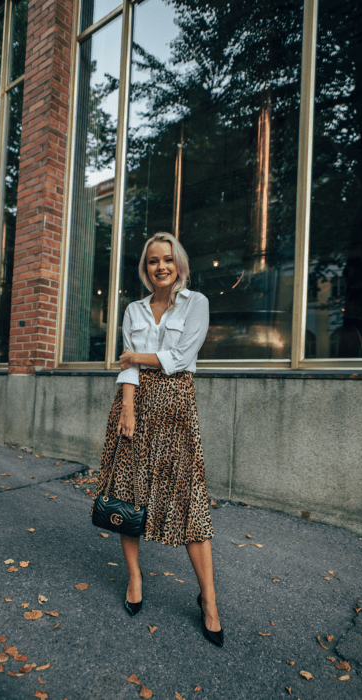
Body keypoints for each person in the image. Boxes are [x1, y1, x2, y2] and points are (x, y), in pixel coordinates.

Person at [93, 232, 223, 646]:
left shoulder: (196, 303)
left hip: (176, 405)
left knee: (189, 502)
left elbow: (181, 358)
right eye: (153, 261)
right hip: (133, 404)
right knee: (127, 492)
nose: (160, 266)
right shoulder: (133, 309)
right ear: (145, 268)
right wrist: (127, 407)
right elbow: (128, 369)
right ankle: (134, 578)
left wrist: (135, 355)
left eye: (168, 259)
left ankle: (209, 600)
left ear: (178, 264)